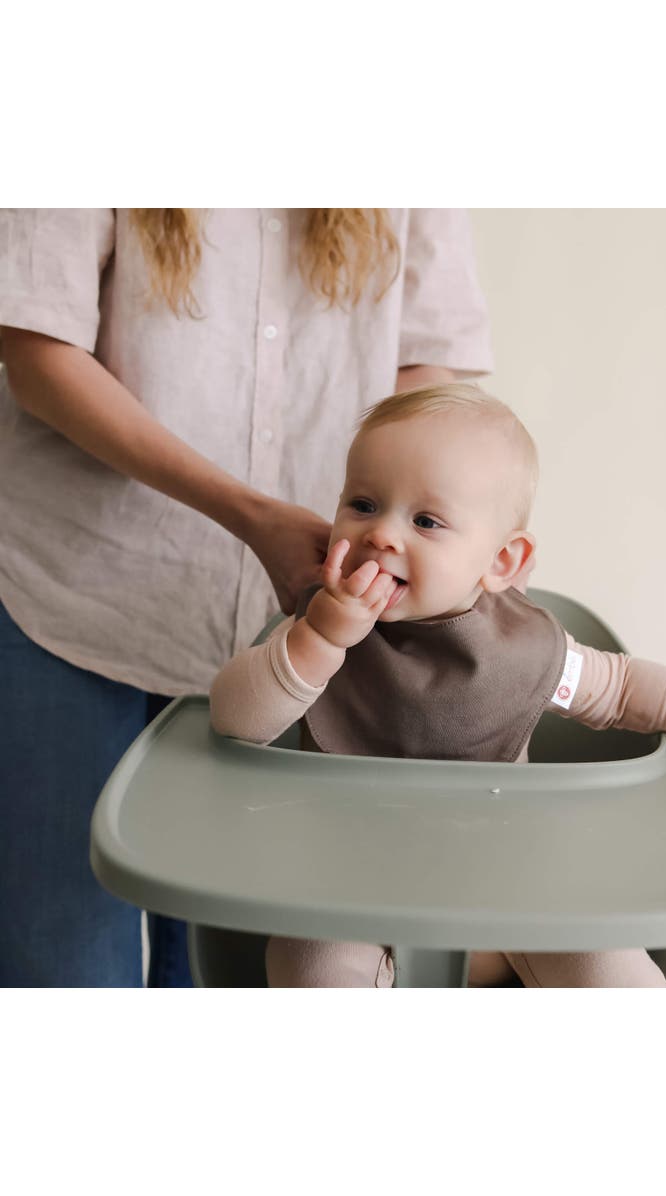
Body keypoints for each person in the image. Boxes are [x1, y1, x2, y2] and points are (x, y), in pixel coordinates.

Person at [0, 208, 494, 987]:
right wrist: (250, 512)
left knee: (226, 977)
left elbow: (426, 367)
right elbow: (36, 351)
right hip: (75, 600)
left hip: (295, 622)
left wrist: (403, 526)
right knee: (61, 970)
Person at [209, 382, 666, 988]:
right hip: (342, 883)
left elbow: (620, 689)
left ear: (501, 562)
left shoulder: (520, 652)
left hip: (513, 888)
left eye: (425, 521)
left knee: (622, 979)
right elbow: (235, 719)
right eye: (364, 505)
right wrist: (319, 640)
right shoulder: (321, 622)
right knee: (310, 974)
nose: (381, 536)